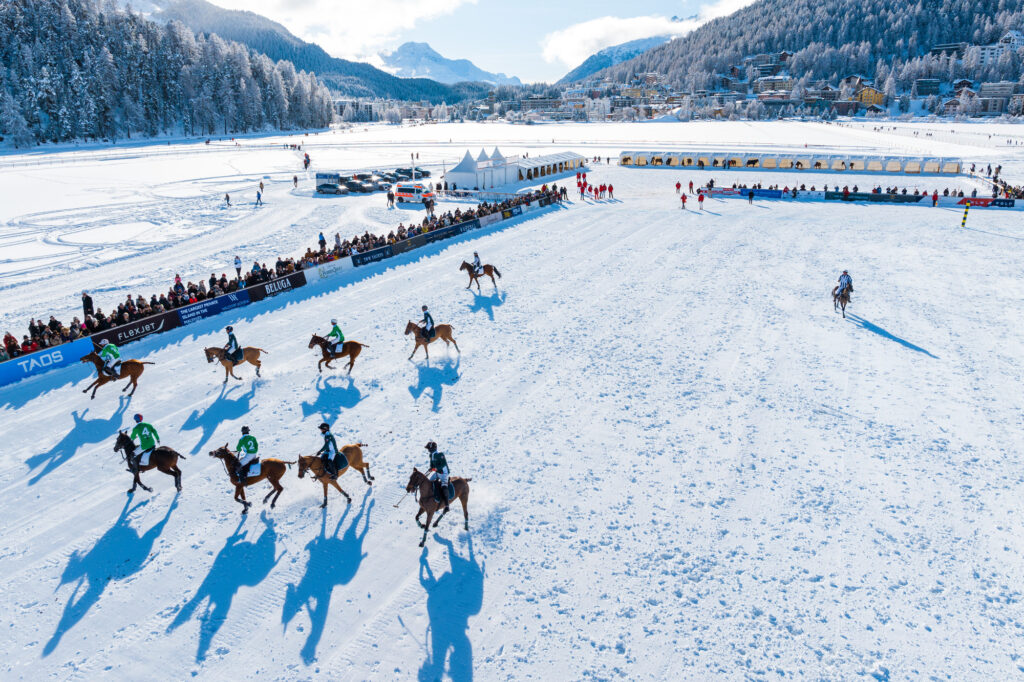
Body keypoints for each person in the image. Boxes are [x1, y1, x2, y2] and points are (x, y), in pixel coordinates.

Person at [425, 440, 451, 512]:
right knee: (429, 482)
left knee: (443, 486)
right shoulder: (431, 455)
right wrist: (431, 468)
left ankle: (446, 505)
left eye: (428, 449)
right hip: (437, 473)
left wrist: (435, 468)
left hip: (444, 473)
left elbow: (443, 464)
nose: (428, 450)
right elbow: (432, 464)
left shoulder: (440, 454)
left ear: (432, 449)